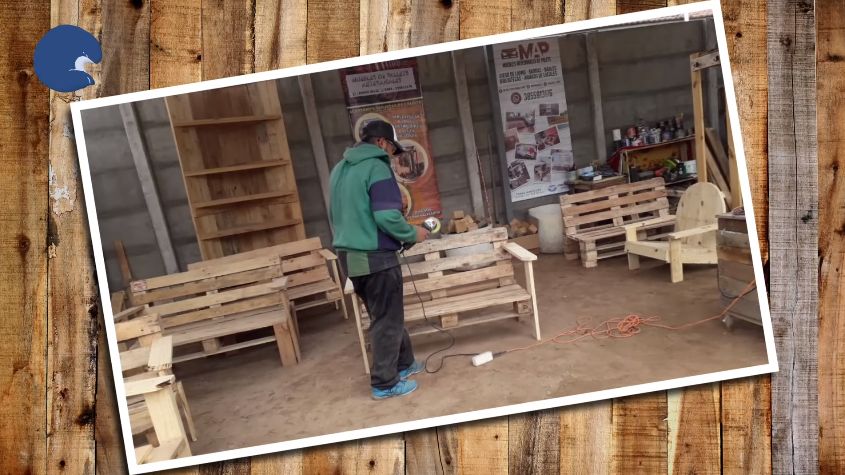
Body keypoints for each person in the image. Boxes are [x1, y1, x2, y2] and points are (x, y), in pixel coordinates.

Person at [329, 120, 429, 400]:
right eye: (391, 150)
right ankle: (384, 383)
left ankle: (404, 363)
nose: (391, 157)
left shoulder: (339, 169)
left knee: (386, 314)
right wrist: (412, 234)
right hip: (375, 258)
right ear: (382, 143)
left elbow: (342, 214)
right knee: (386, 319)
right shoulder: (376, 167)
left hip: (348, 257)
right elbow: (386, 216)